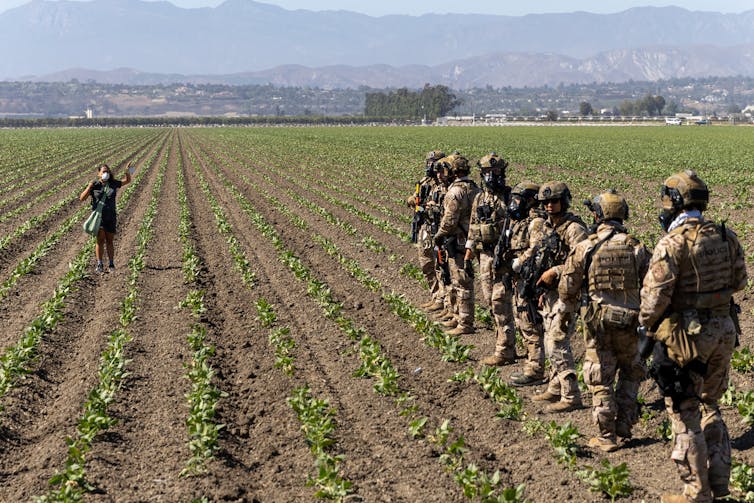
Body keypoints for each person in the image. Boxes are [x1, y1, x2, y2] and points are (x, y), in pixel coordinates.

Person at [638, 170, 747, 503]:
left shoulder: (672, 243)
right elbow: (740, 281)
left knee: (685, 411)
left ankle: (695, 493)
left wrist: (646, 327)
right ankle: (720, 483)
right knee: (711, 405)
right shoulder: (727, 237)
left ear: (675, 202)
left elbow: (653, 300)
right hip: (724, 330)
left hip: (686, 338)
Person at [558, 190, 649, 452]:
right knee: (631, 373)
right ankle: (625, 425)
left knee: (600, 378)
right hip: (632, 322)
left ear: (598, 215)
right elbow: (652, 284)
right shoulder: (637, 247)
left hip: (599, 324)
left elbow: (568, 287)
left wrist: (565, 316)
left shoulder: (586, 246)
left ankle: (606, 435)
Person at [529, 181, 589, 413]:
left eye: (554, 201)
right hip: (552, 293)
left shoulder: (574, 229)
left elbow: (583, 263)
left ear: (564, 202)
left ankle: (571, 395)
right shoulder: (547, 226)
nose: (549, 206)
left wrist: (555, 272)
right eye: (545, 203)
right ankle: (555, 386)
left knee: (557, 341)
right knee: (548, 338)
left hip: (569, 293)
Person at [464, 153, 516, 365]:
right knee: (489, 300)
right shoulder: (480, 198)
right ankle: (504, 342)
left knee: (500, 302)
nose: (491, 177)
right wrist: (469, 251)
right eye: (487, 173)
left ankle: (505, 350)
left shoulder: (510, 197)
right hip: (484, 256)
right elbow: (473, 225)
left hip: (504, 257)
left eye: (495, 172)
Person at [433, 153, 481, 335]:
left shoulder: (455, 192)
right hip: (471, 240)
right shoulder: (476, 189)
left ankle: (465, 322)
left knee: (462, 282)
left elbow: (449, 221)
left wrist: (438, 236)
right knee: (459, 280)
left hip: (459, 240)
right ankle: (458, 315)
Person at [506, 182, 548, 386]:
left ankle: (535, 370)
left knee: (530, 323)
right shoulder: (523, 220)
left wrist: (518, 263)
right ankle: (533, 364)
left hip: (530, 278)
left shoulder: (536, 222)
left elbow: (536, 249)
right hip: (522, 277)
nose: (514, 203)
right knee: (523, 320)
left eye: (518, 199)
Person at [407, 150, 446, 312]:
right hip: (425, 227)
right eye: (429, 162)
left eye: (433, 162)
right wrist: (413, 200)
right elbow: (415, 198)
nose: (430, 165)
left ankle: (443, 299)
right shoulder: (425, 181)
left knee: (440, 265)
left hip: (437, 229)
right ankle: (435, 295)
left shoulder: (443, 183)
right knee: (426, 263)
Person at [79, 162, 134, 273]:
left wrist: (127, 171)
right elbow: (82, 198)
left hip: (111, 217)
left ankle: (111, 264)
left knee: (110, 241)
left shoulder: (113, 183)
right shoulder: (95, 185)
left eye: (107, 171)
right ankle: (100, 264)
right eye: (104, 171)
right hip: (99, 218)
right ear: (99, 174)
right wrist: (89, 186)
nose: (106, 173)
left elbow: (127, 181)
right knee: (100, 241)